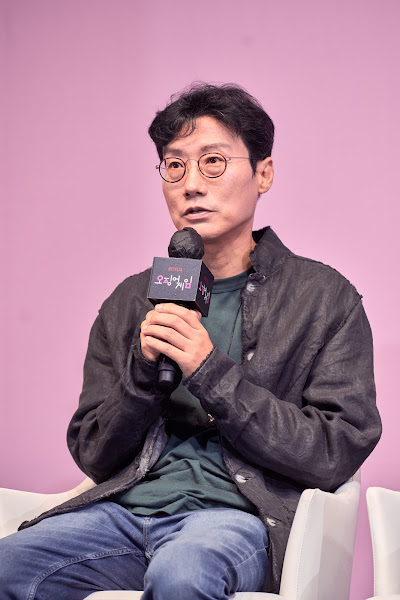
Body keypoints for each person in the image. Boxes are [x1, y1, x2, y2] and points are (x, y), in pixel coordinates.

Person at [0, 83, 382, 599]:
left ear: (264, 173)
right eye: (175, 166)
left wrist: (209, 372)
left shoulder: (323, 297)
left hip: (236, 519)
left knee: (183, 573)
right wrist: (142, 374)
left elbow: (337, 449)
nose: (191, 185)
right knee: (8, 564)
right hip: (123, 513)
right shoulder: (130, 301)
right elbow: (94, 452)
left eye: (213, 162)